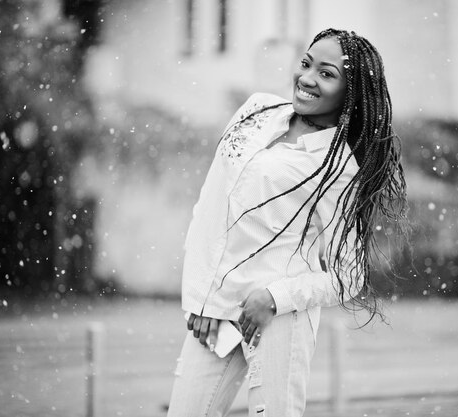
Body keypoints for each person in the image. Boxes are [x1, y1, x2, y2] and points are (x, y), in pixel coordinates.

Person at [166, 28, 408, 417]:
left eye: (327, 74)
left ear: (350, 94)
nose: (308, 78)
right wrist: (201, 298)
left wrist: (275, 298)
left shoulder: (340, 169)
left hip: (278, 319)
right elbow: (209, 209)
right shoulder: (256, 111)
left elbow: (350, 275)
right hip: (216, 311)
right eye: (306, 63)